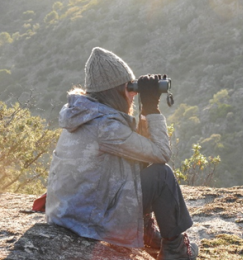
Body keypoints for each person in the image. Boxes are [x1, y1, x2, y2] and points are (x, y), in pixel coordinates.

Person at [45, 47, 198, 260]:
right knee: (162, 175)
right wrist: (152, 107)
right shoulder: (105, 126)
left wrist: (144, 111)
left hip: (72, 212)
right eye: (130, 88)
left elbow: (139, 151)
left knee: (140, 163)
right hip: (89, 220)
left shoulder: (84, 113)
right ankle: (176, 253)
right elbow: (161, 153)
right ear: (113, 91)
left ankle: (145, 232)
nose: (134, 93)